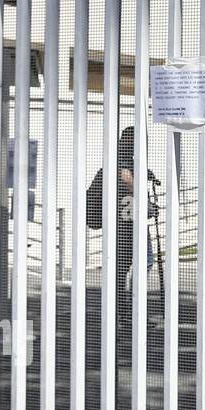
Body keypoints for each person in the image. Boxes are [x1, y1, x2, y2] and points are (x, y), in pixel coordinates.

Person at [86, 126, 157, 365]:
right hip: (125, 227)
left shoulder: (125, 164)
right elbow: (124, 187)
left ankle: (126, 311)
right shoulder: (120, 166)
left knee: (133, 267)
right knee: (125, 270)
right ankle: (124, 312)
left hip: (130, 226)